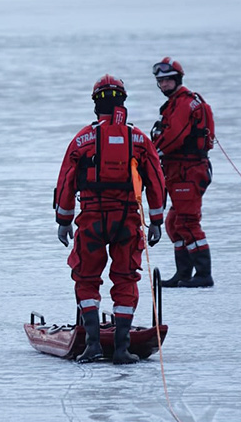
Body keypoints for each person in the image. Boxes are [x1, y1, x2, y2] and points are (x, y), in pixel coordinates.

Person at [54, 75, 166, 364]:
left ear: (95, 105)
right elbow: (155, 180)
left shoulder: (82, 139)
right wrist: (156, 220)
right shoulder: (139, 139)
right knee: (126, 279)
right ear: (123, 102)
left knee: (86, 278)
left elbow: (67, 181)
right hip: (128, 221)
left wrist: (64, 219)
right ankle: (121, 348)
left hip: (92, 221)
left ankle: (92, 345)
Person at [150, 57, 215, 288]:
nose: (164, 85)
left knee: (187, 222)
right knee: (174, 222)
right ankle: (184, 273)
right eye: (161, 81)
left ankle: (203, 274)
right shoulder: (180, 103)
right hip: (179, 170)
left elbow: (174, 136)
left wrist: (151, 151)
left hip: (189, 171)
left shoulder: (184, 104)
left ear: (177, 79)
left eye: (167, 80)